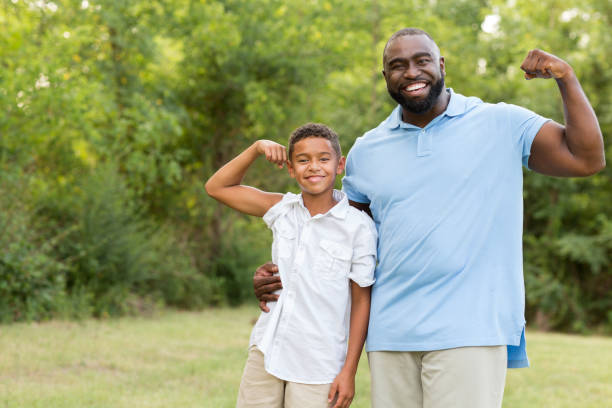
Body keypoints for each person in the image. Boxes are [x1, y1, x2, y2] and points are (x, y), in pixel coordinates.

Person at [253, 28, 605, 408]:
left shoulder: (500, 123)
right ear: (385, 77)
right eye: (397, 65)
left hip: (470, 328)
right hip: (389, 334)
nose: (411, 72)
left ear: (441, 66)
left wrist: (566, 79)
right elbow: (341, 245)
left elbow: (586, 159)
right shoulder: (366, 151)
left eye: (422, 61)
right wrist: (284, 275)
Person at [205, 123, 378, 408]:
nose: (314, 167)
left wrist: (349, 370)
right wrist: (257, 147)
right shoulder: (282, 210)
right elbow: (216, 187)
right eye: (303, 160)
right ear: (290, 168)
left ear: (340, 165)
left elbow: (361, 301)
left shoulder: (358, 228)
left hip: (318, 363)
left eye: (323, 159)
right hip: (267, 350)